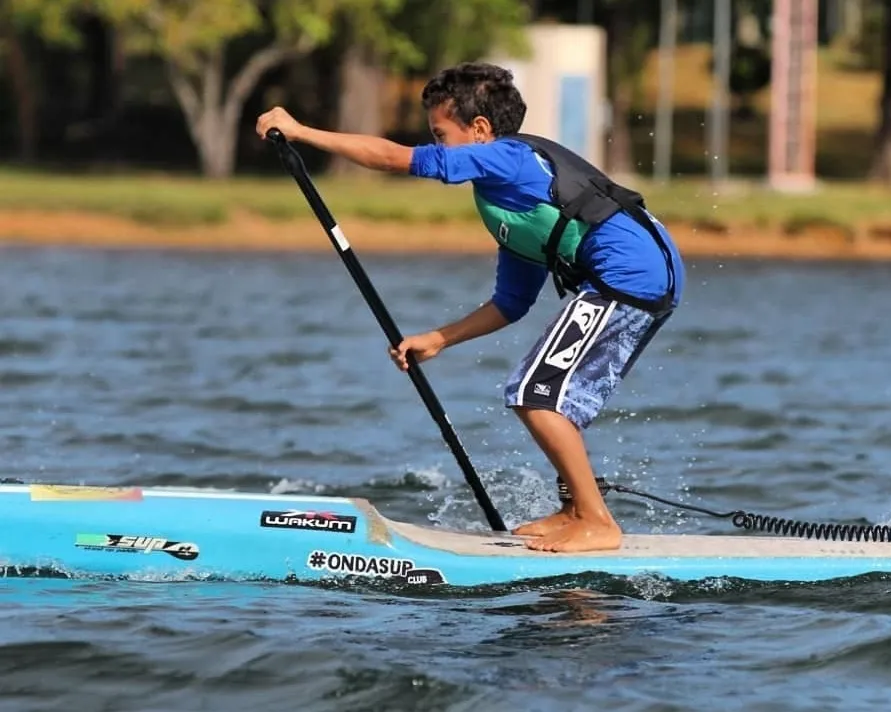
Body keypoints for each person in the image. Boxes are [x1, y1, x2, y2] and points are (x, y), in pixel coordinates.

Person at [255, 62, 685, 553]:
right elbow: (511, 302)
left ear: (479, 130)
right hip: (637, 276)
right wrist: (439, 338)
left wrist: (299, 131)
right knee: (550, 396)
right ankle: (574, 510)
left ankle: (597, 522)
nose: (435, 145)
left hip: (631, 276)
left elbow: (395, 158)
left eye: (441, 134)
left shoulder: (508, 158)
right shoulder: (507, 202)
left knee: (534, 392)